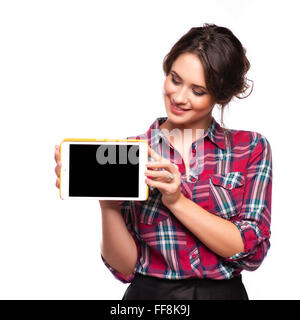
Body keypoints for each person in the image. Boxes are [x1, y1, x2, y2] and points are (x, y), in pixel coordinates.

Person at [54, 23, 272, 300]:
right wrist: (107, 202)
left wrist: (176, 201)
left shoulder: (250, 147)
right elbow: (126, 269)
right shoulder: (131, 152)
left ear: (220, 94)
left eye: (198, 90)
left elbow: (251, 253)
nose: (179, 97)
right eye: (175, 79)